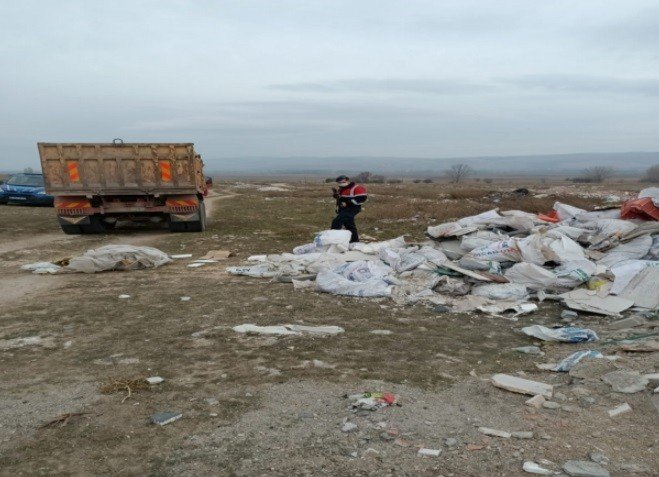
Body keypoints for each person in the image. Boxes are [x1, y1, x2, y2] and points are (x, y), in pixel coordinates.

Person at [331, 175, 368, 243]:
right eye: (339, 183)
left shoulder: (357, 188)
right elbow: (341, 198)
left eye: (343, 182)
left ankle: (333, 241)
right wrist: (336, 195)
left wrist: (347, 203)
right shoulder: (341, 189)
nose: (341, 184)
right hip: (343, 209)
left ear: (347, 181)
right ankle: (354, 242)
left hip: (353, 208)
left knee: (337, 222)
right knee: (349, 225)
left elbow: (362, 198)